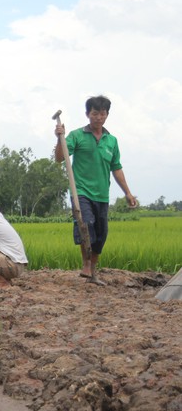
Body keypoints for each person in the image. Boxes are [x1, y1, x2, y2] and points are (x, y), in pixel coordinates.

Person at [54, 95, 137, 278]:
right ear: (87, 114)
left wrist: (128, 193)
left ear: (107, 115)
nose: (98, 117)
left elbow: (116, 169)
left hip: (102, 194)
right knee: (86, 223)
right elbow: (60, 158)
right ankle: (85, 263)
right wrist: (60, 139)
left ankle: (92, 270)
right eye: (94, 113)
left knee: (101, 234)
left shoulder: (111, 141)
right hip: (81, 191)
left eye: (102, 114)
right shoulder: (77, 135)